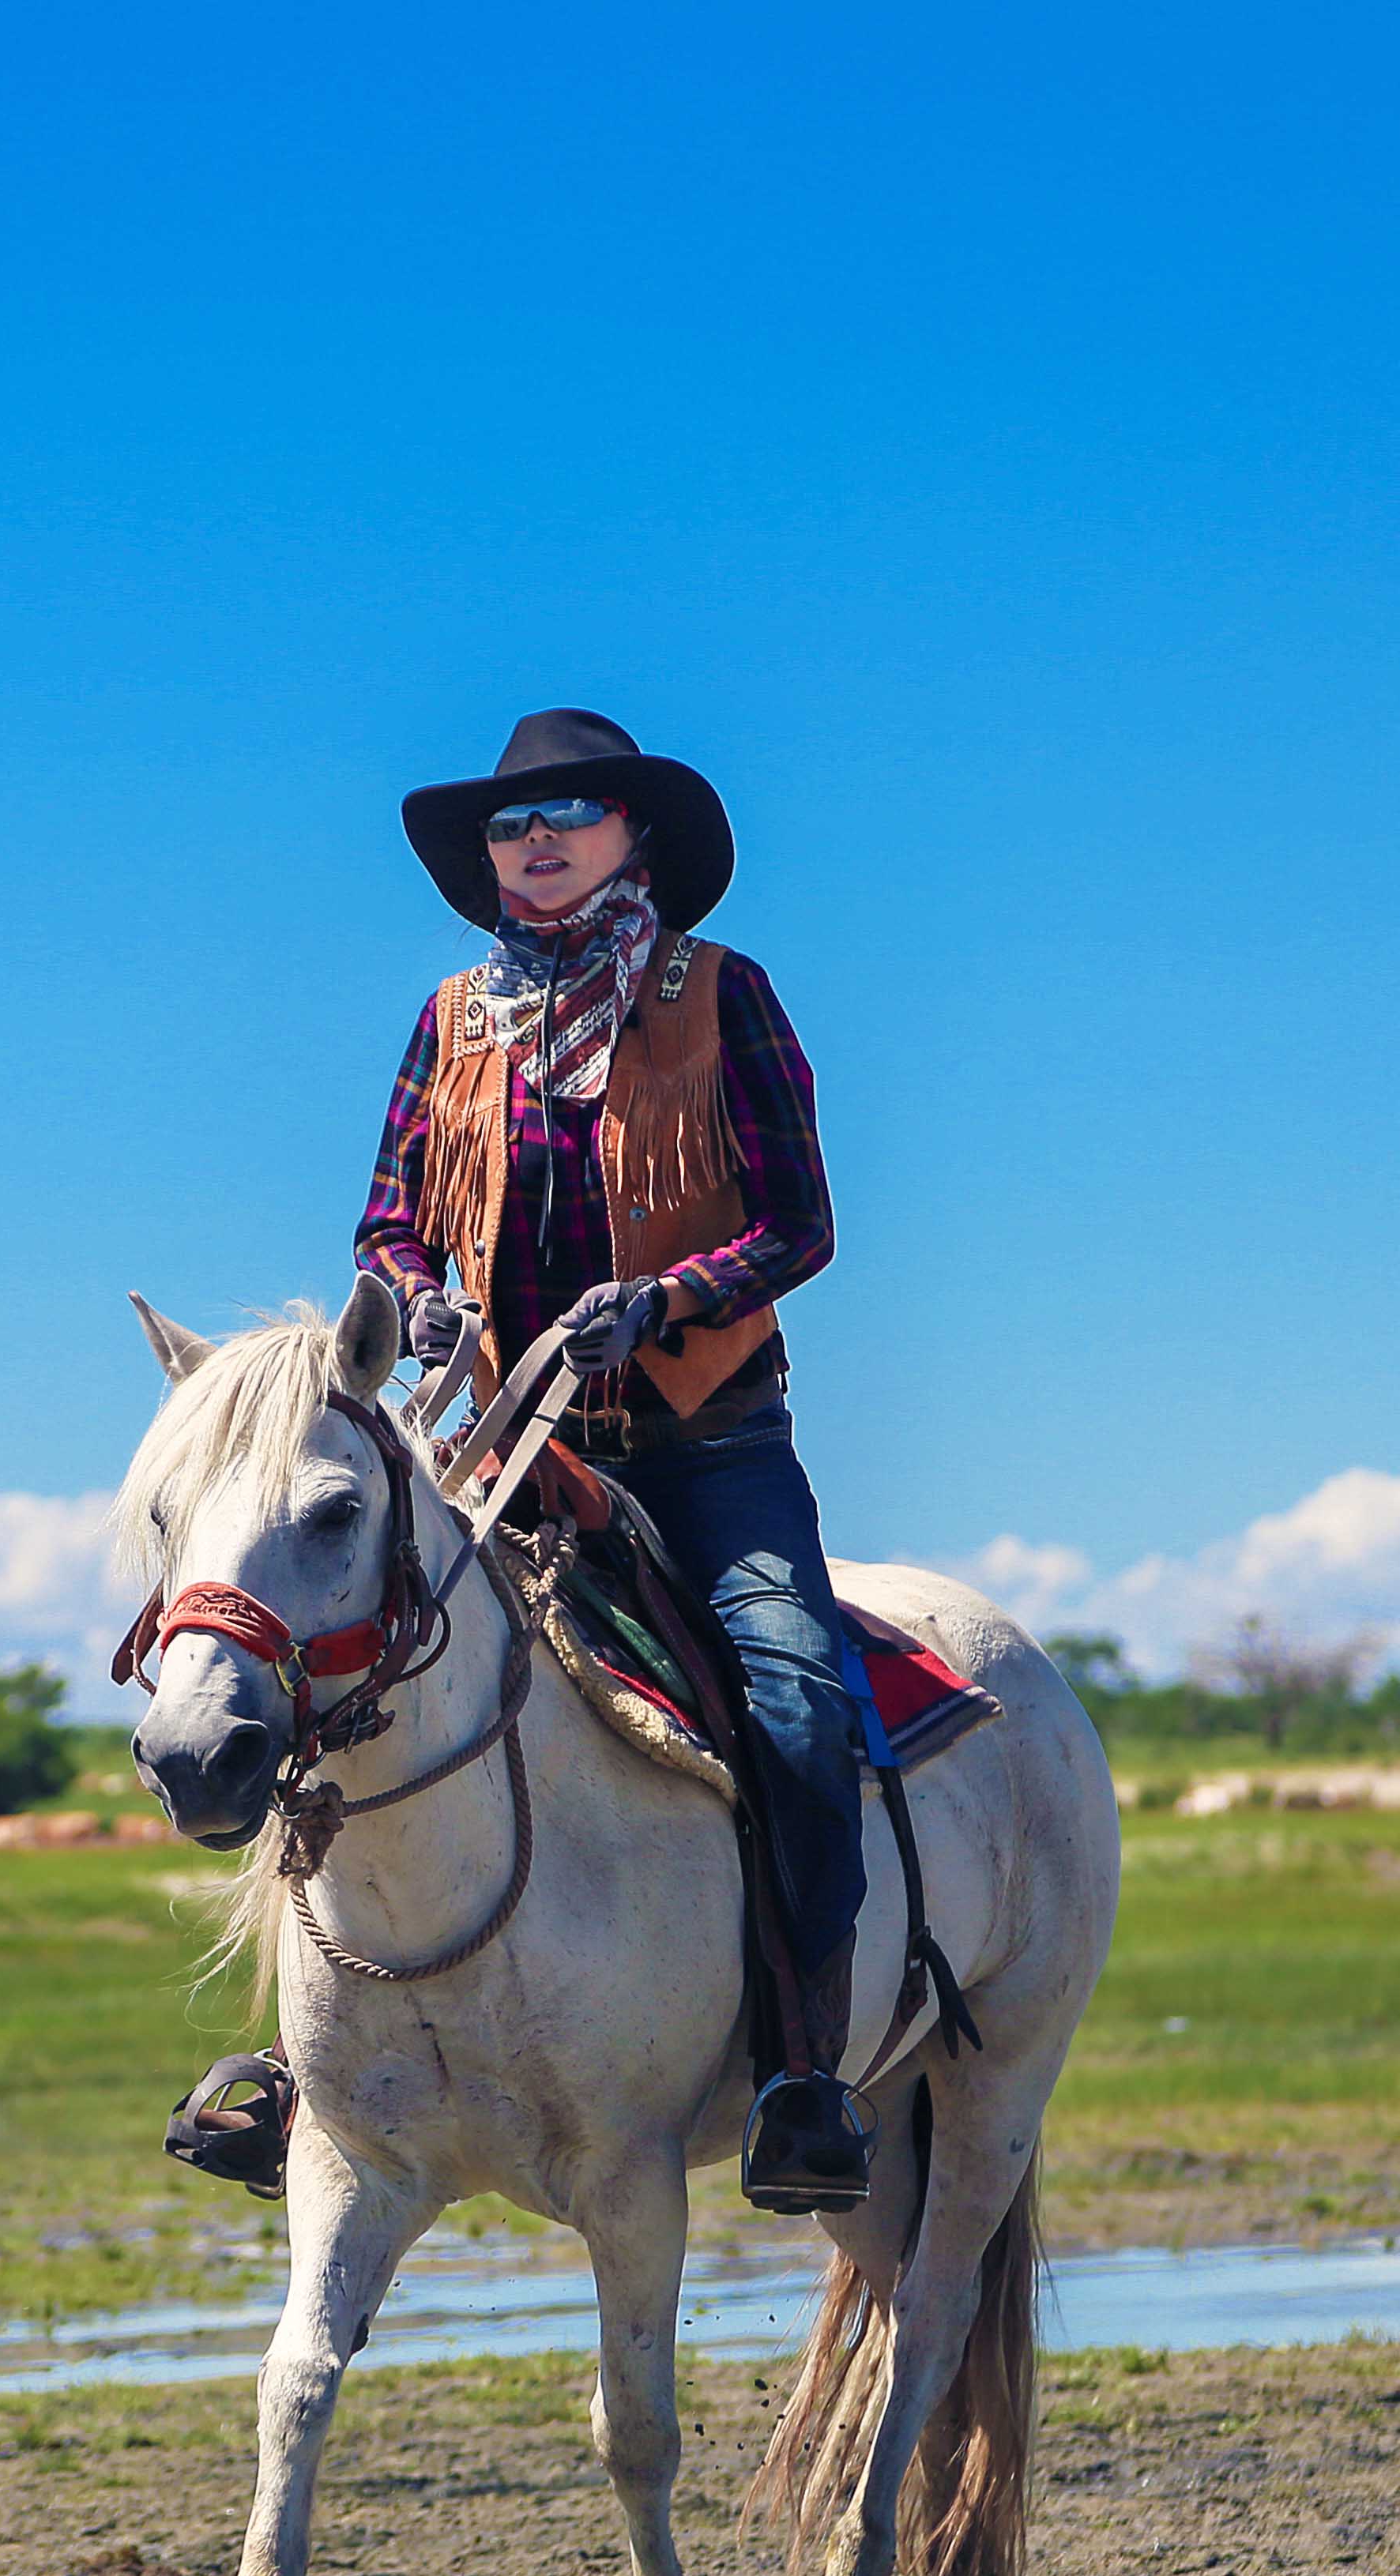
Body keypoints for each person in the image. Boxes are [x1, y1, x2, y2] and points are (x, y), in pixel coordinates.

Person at [355, 709, 872, 2213]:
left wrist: (662, 1302)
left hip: (708, 1444)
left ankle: (803, 2069)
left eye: (566, 812)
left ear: (632, 832)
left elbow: (799, 1224)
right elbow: (388, 1219)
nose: (532, 839)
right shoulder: (453, 1021)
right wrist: (427, 1298)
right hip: (504, 1447)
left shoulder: (723, 993)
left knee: (791, 1692)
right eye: (508, 824)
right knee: (333, 1671)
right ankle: (295, 2058)